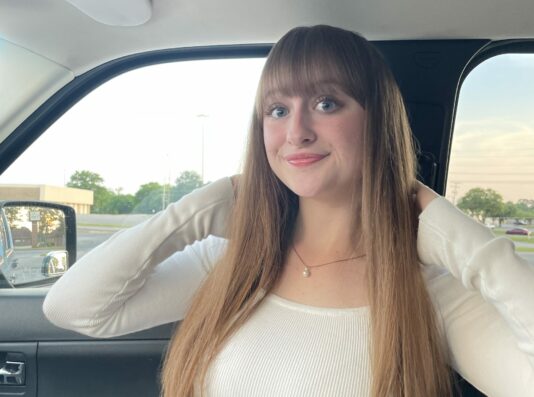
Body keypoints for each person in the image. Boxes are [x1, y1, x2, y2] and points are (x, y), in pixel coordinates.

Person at [42, 25, 534, 397]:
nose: (296, 131)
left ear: (376, 122)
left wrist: (445, 228)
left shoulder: (428, 287)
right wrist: (194, 213)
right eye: (277, 110)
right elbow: (73, 309)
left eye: (326, 103)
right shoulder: (228, 261)